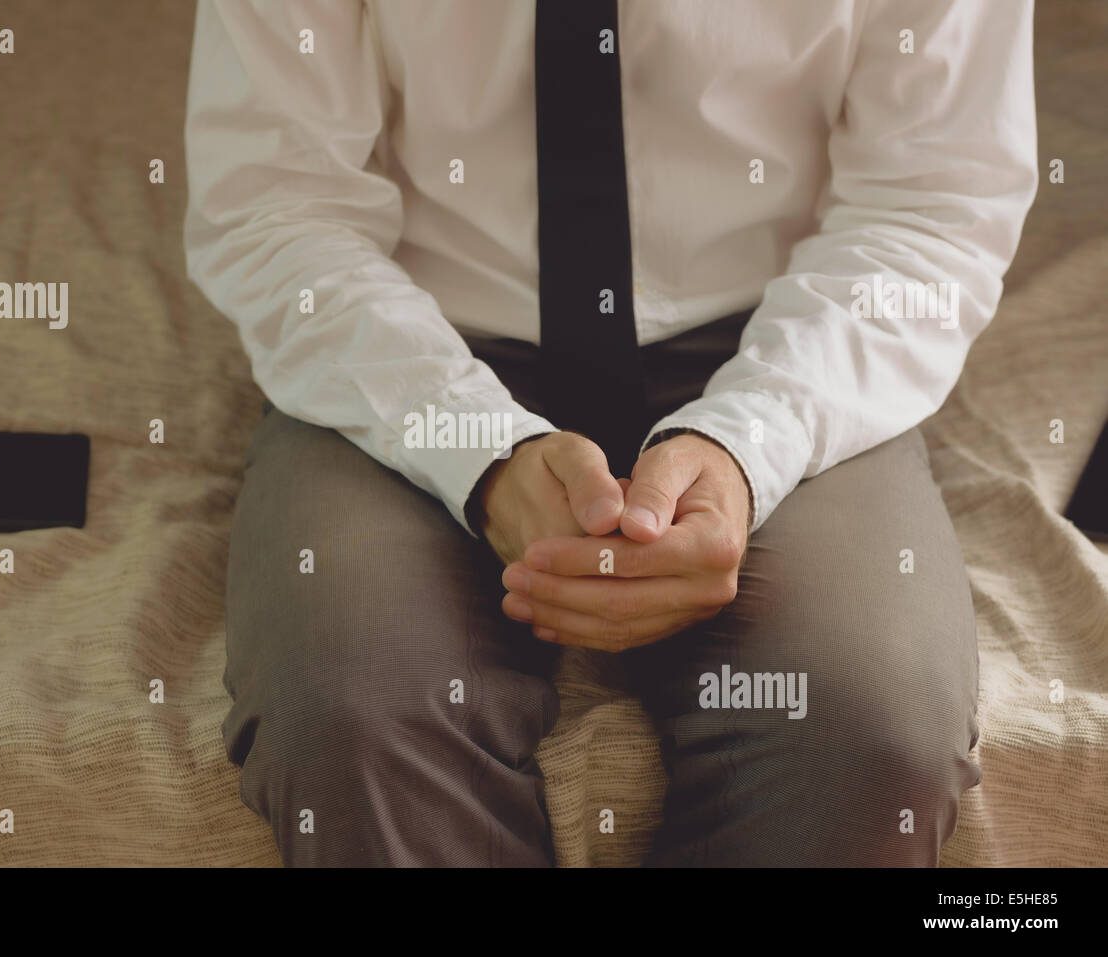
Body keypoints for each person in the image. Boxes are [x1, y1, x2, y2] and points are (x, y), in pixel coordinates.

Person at [184, 0, 1038, 866]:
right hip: (409, 334)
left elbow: (935, 205)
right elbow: (276, 204)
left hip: (787, 333)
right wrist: (477, 449)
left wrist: (750, 444)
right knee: (351, 716)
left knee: (866, 731)